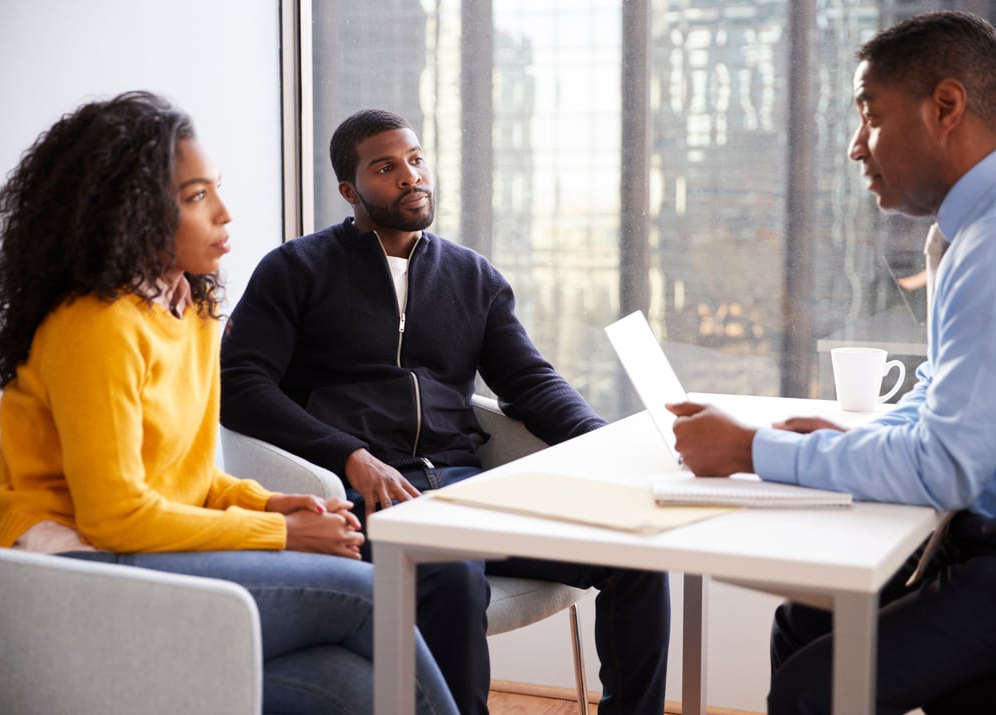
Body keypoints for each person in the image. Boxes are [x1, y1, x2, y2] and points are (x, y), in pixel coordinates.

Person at [0, 91, 458, 715]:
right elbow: (114, 516)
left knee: (348, 685)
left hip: (139, 550)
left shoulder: (191, 309)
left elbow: (186, 476)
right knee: (366, 594)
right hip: (67, 571)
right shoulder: (97, 325)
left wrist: (267, 500)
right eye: (196, 197)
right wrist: (281, 533)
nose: (225, 213)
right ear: (130, 212)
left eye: (216, 189)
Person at [667, 10, 996, 715]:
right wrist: (853, 438)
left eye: (870, 115)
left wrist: (750, 449)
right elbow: (943, 395)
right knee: (803, 622)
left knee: (812, 690)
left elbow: (945, 466)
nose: (856, 146)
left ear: (945, 106)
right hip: (989, 534)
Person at [219, 108, 671, 715]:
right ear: (350, 191)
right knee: (454, 571)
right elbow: (239, 385)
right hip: (359, 496)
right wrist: (350, 456)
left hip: (466, 488)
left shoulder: (471, 275)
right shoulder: (296, 269)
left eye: (415, 159)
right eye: (386, 168)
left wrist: (602, 441)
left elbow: (529, 382)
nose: (410, 176)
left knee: (634, 551)